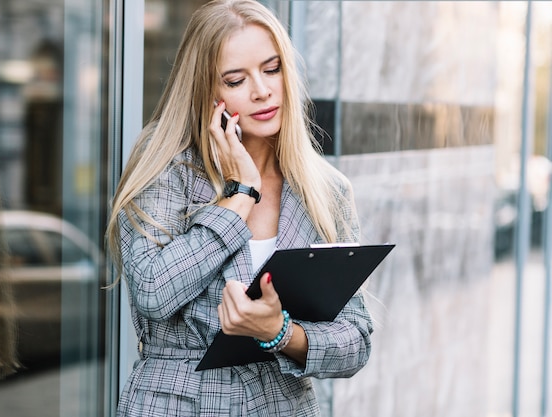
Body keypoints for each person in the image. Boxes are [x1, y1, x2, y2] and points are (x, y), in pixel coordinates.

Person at [106, 0, 373, 415]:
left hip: (281, 404)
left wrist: (280, 332)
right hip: (178, 402)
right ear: (206, 92)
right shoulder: (166, 167)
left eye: (272, 69)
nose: (262, 90)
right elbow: (153, 292)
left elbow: (355, 340)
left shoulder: (326, 190)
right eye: (235, 79)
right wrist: (239, 195)